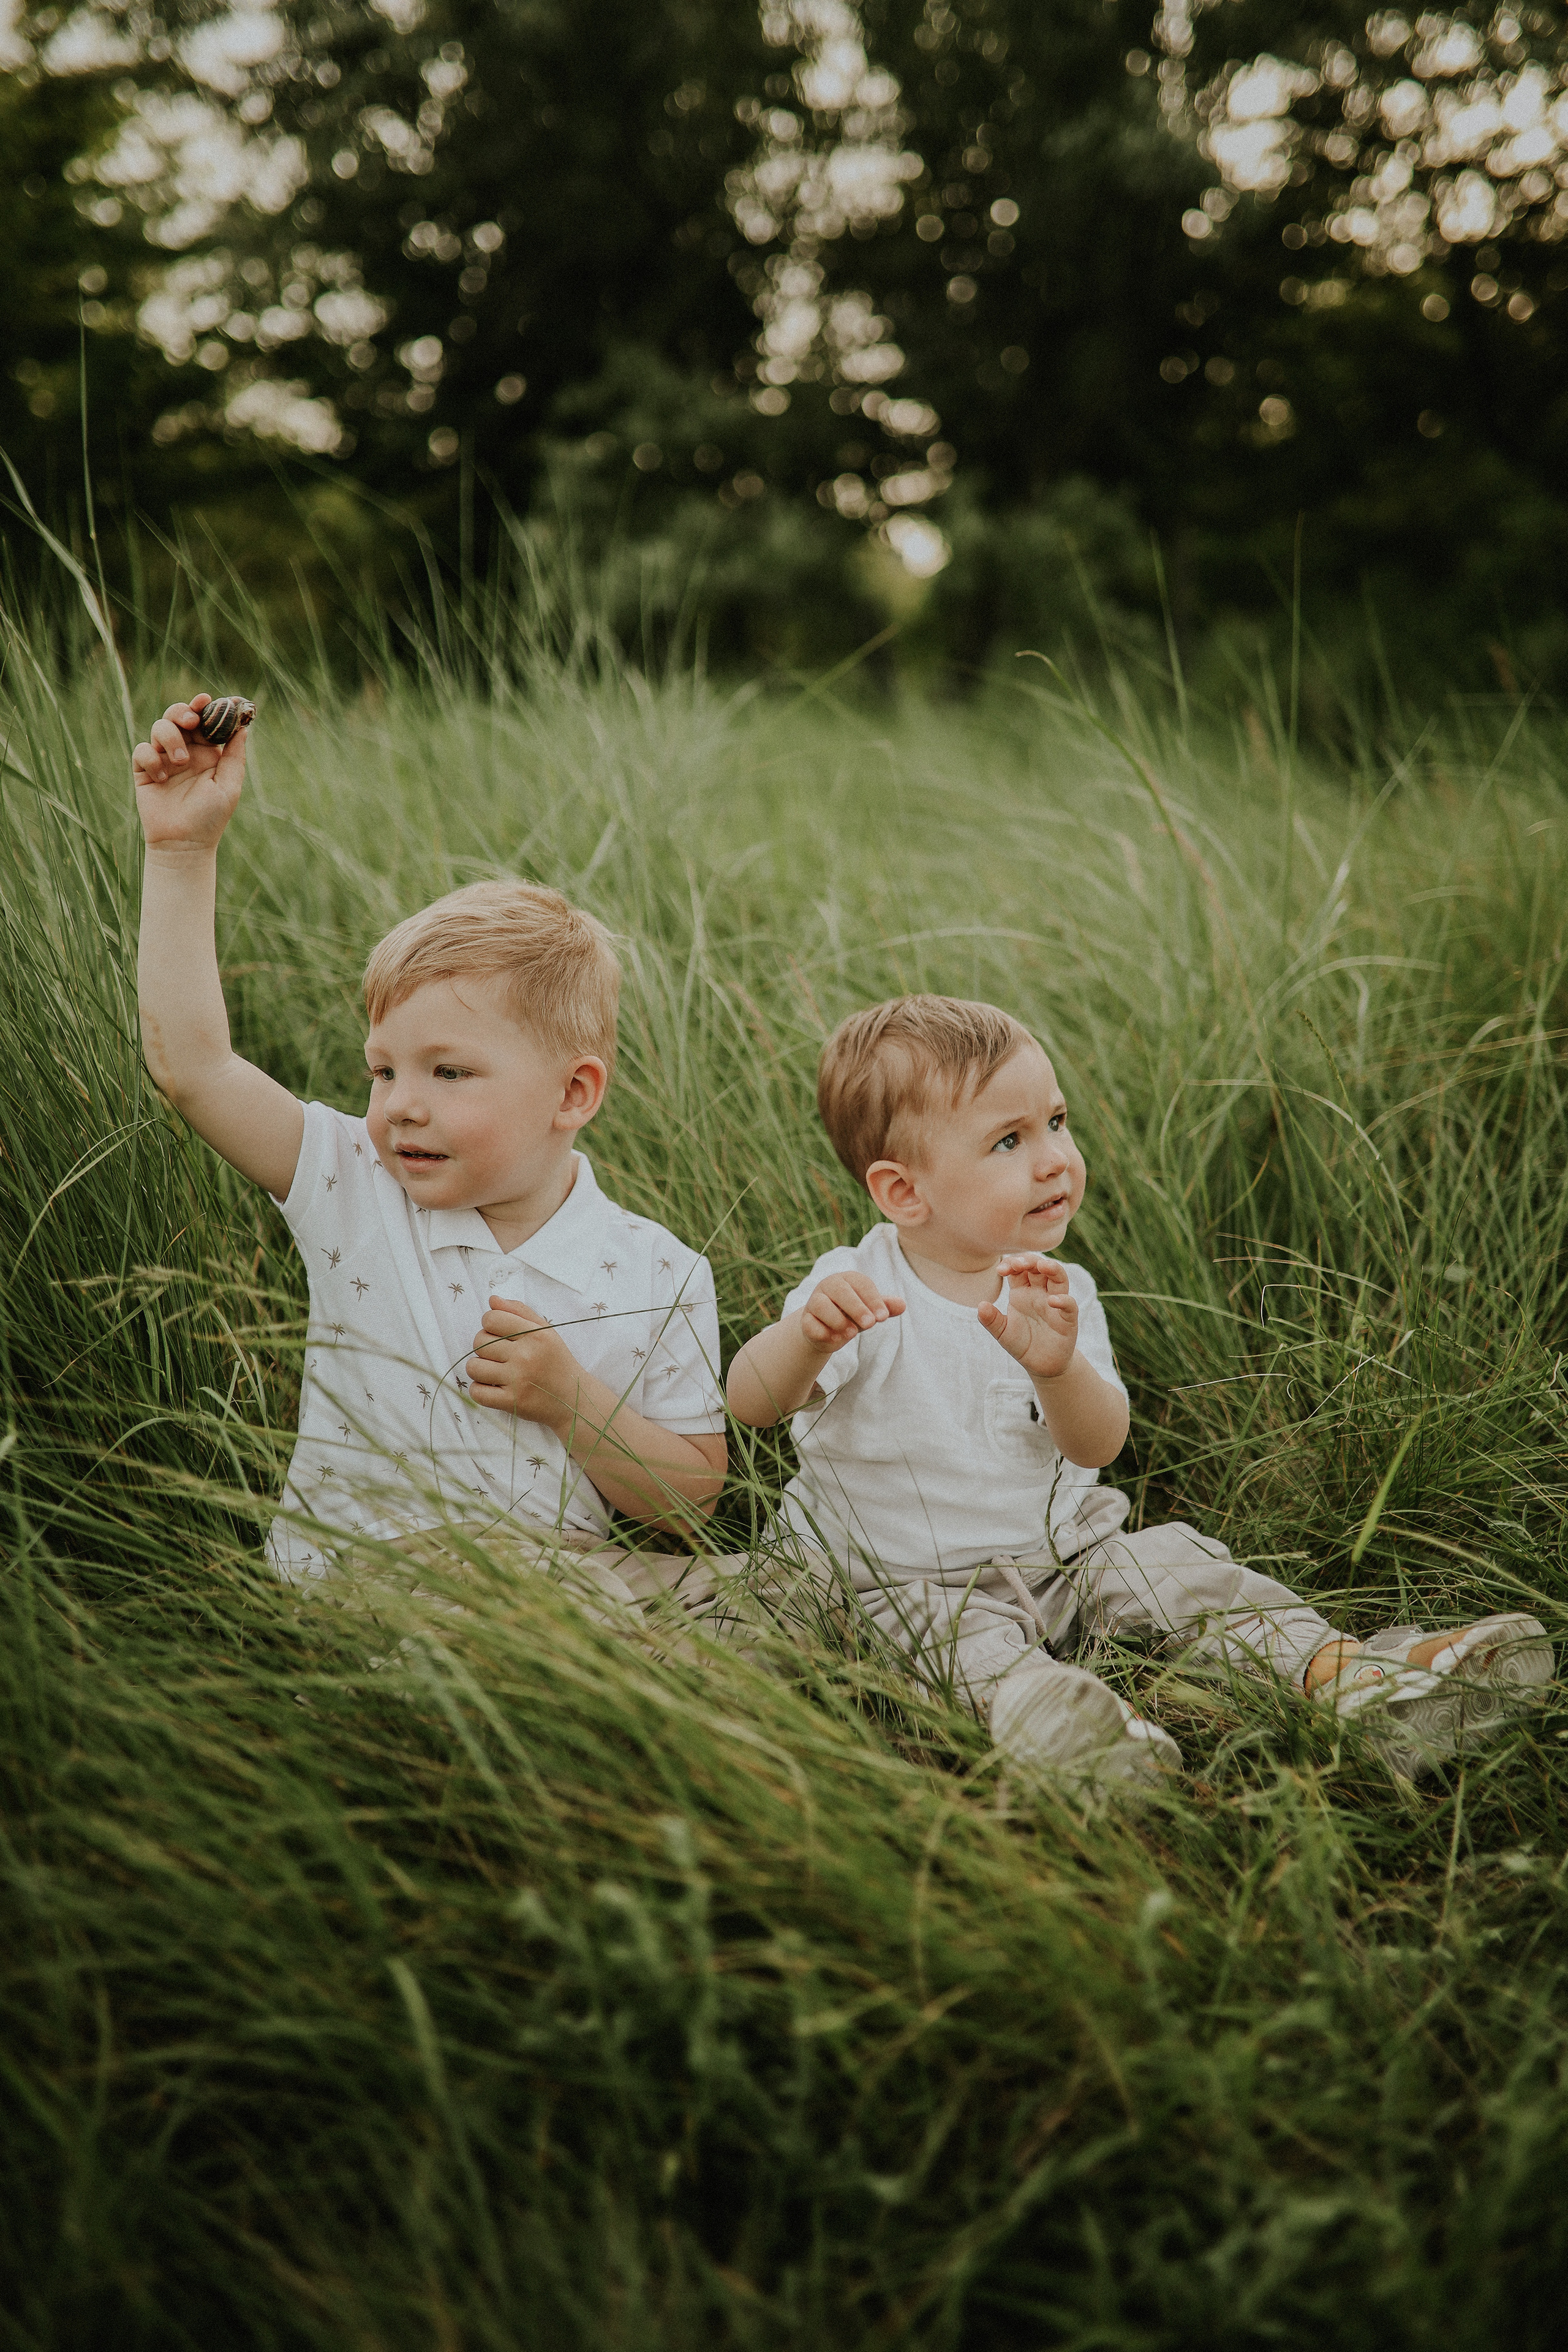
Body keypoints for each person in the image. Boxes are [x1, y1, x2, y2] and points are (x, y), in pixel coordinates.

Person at [726, 995, 1552, 1786]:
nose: (1055, 1158)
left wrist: (1058, 1365)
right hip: (899, 1580)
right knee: (953, 1644)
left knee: (1178, 1570)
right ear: (905, 1191)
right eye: (1009, 1141)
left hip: (1063, 1556)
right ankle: (1069, 1734)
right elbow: (750, 1403)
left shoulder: (1060, 1290)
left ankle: (1354, 1679)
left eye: (1056, 1121)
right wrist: (806, 1338)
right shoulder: (855, 1289)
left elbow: (1098, 1447)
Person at [132, 693, 728, 1598]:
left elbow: (686, 1507)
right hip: (370, 1583)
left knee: (744, 1591)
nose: (401, 1107)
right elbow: (196, 1070)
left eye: (448, 1074)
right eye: (383, 1072)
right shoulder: (350, 1181)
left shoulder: (659, 1272)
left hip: (566, 1582)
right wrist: (181, 852)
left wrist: (573, 1402)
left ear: (574, 1094)